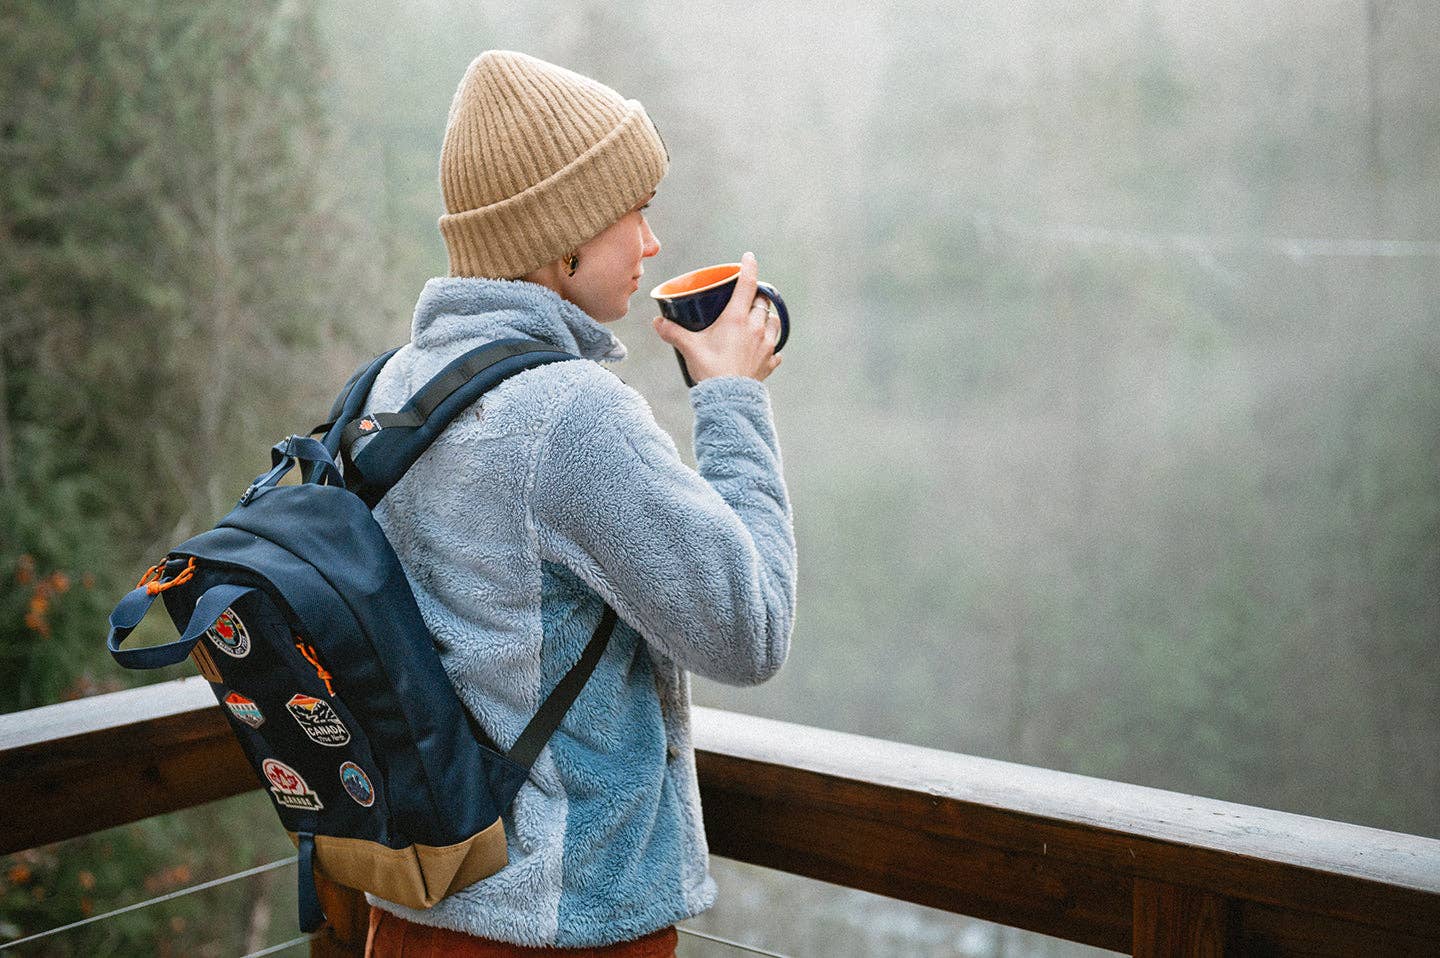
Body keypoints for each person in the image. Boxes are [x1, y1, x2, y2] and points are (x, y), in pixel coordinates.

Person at [360, 51, 797, 957]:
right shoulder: (571, 417)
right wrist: (733, 399)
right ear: (564, 242)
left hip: (408, 909)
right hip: (558, 929)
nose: (651, 243)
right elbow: (748, 631)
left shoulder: (391, 388)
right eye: (634, 211)